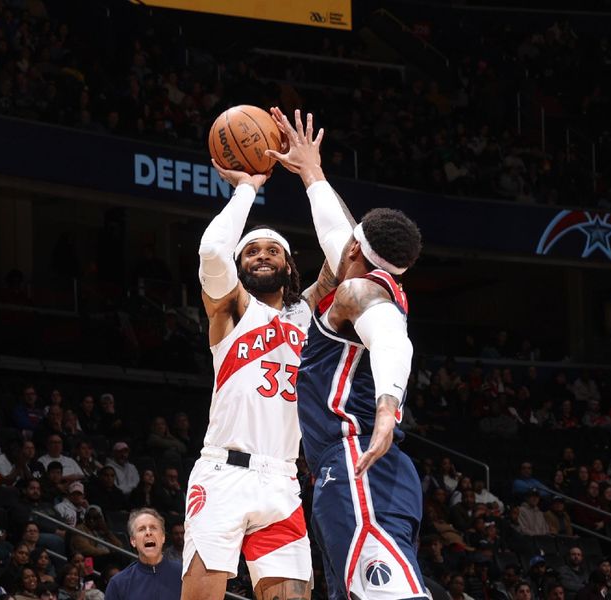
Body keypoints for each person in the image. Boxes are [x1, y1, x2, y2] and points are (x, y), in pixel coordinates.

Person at [268, 109, 429, 600]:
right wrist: (312, 171)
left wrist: (387, 410)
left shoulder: (359, 294)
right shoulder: (363, 271)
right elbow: (333, 229)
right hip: (357, 470)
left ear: (358, 250)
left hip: (357, 459)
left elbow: (391, 341)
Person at [182, 137, 319, 600]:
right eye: (252, 252)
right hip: (224, 474)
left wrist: (312, 174)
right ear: (241, 268)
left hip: (282, 480)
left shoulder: (307, 316)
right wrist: (246, 189)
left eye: (272, 250)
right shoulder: (232, 310)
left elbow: (346, 259)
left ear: (288, 265)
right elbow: (210, 254)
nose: (262, 255)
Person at [105, 509, 180, 600]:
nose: (148, 533)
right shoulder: (118, 584)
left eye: (153, 528)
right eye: (141, 529)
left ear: (163, 537)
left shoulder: (184, 575)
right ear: (133, 541)